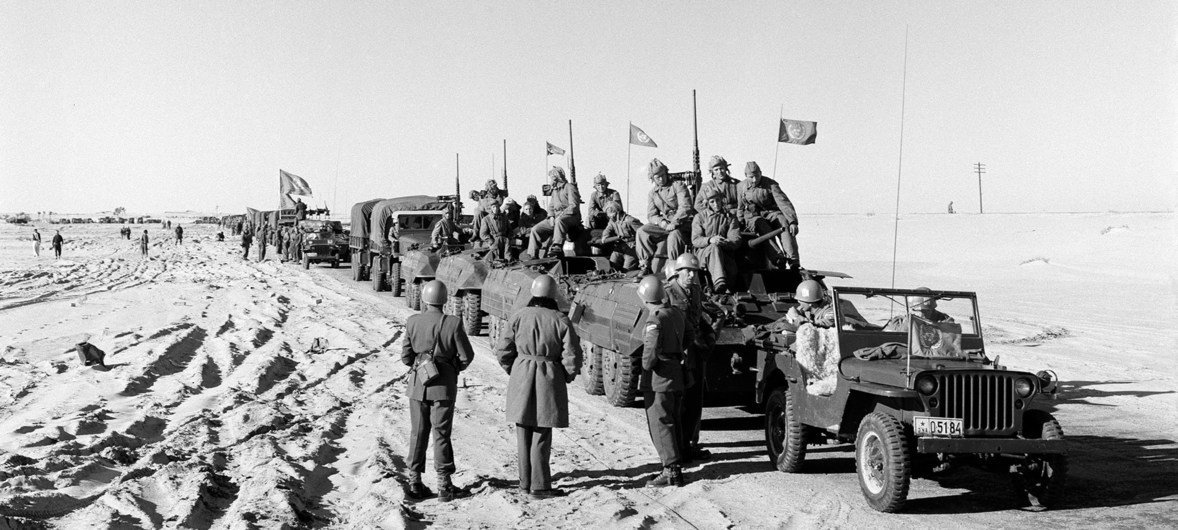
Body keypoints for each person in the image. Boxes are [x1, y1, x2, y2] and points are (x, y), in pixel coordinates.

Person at [495, 275, 583, 498]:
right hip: (549, 375)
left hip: (521, 372)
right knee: (542, 431)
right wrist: (564, 376)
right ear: (553, 294)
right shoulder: (561, 320)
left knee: (522, 430)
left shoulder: (519, 316)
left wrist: (514, 369)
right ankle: (541, 486)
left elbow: (503, 350)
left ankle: (524, 483)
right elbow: (572, 355)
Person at [401, 280, 475, 501]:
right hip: (443, 386)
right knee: (441, 434)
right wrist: (451, 369)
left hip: (417, 385)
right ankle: (444, 484)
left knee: (417, 433)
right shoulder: (452, 323)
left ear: (424, 298)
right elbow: (466, 356)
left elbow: (406, 357)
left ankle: (414, 482)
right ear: (445, 300)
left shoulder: (412, 321)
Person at [636, 275, 688, 487]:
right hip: (676, 372)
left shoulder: (654, 318)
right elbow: (690, 336)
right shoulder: (676, 313)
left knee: (661, 422)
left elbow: (649, 353)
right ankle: (674, 463)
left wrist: (647, 367)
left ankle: (671, 470)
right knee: (672, 419)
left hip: (659, 377)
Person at [663, 254, 711, 462]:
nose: (691, 275)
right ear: (678, 271)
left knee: (694, 401)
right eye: (687, 271)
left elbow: (700, 319)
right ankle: (676, 450)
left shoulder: (696, 292)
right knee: (677, 404)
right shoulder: (668, 292)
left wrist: (709, 338)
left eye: (695, 272)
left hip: (695, 353)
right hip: (678, 354)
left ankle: (690, 444)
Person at [636, 159, 694, 275]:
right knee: (642, 231)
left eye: (663, 175)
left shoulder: (678, 186)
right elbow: (651, 215)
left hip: (683, 223)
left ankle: (674, 268)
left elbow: (685, 207)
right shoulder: (653, 193)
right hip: (666, 224)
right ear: (653, 179)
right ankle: (645, 266)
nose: (661, 179)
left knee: (674, 235)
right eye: (658, 177)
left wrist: (675, 222)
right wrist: (661, 222)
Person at [737, 161, 801, 266]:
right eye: (751, 177)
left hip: (771, 213)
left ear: (761, 173)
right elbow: (740, 208)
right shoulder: (740, 187)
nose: (754, 179)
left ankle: (793, 259)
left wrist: (792, 221)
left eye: (757, 176)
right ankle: (777, 258)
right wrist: (740, 222)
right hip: (753, 217)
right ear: (746, 176)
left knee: (783, 223)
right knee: (763, 227)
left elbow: (783, 203)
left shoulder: (770, 184)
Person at [691, 188, 743, 293]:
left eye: (718, 200)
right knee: (714, 247)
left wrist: (724, 242)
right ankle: (719, 281)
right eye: (712, 202)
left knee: (730, 264)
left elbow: (736, 239)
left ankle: (726, 285)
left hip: (724, 253)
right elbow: (695, 240)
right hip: (703, 255)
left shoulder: (730, 217)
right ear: (707, 203)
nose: (716, 204)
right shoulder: (700, 217)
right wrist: (710, 240)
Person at [528, 167, 582, 259]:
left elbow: (573, 206)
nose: (550, 180)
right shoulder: (555, 191)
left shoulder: (569, 187)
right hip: (556, 217)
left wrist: (561, 214)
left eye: (552, 178)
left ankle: (557, 246)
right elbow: (551, 206)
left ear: (557, 177)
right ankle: (533, 254)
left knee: (560, 220)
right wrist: (551, 216)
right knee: (535, 229)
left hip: (571, 217)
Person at [597, 201, 642, 271]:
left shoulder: (630, 220)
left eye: (611, 214)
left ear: (617, 212)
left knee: (627, 270)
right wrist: (605, 237)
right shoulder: (612, 221)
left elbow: (642, 232)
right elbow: (608, 229)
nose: (610, 217)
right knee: (611, 266)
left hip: (632, 247)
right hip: (620, 246)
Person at [884, 287, 954, 332]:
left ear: (932, 309)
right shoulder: (898, 323)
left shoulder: (944, 320)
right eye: (916, 311)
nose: (921, 314)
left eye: (926, 311)